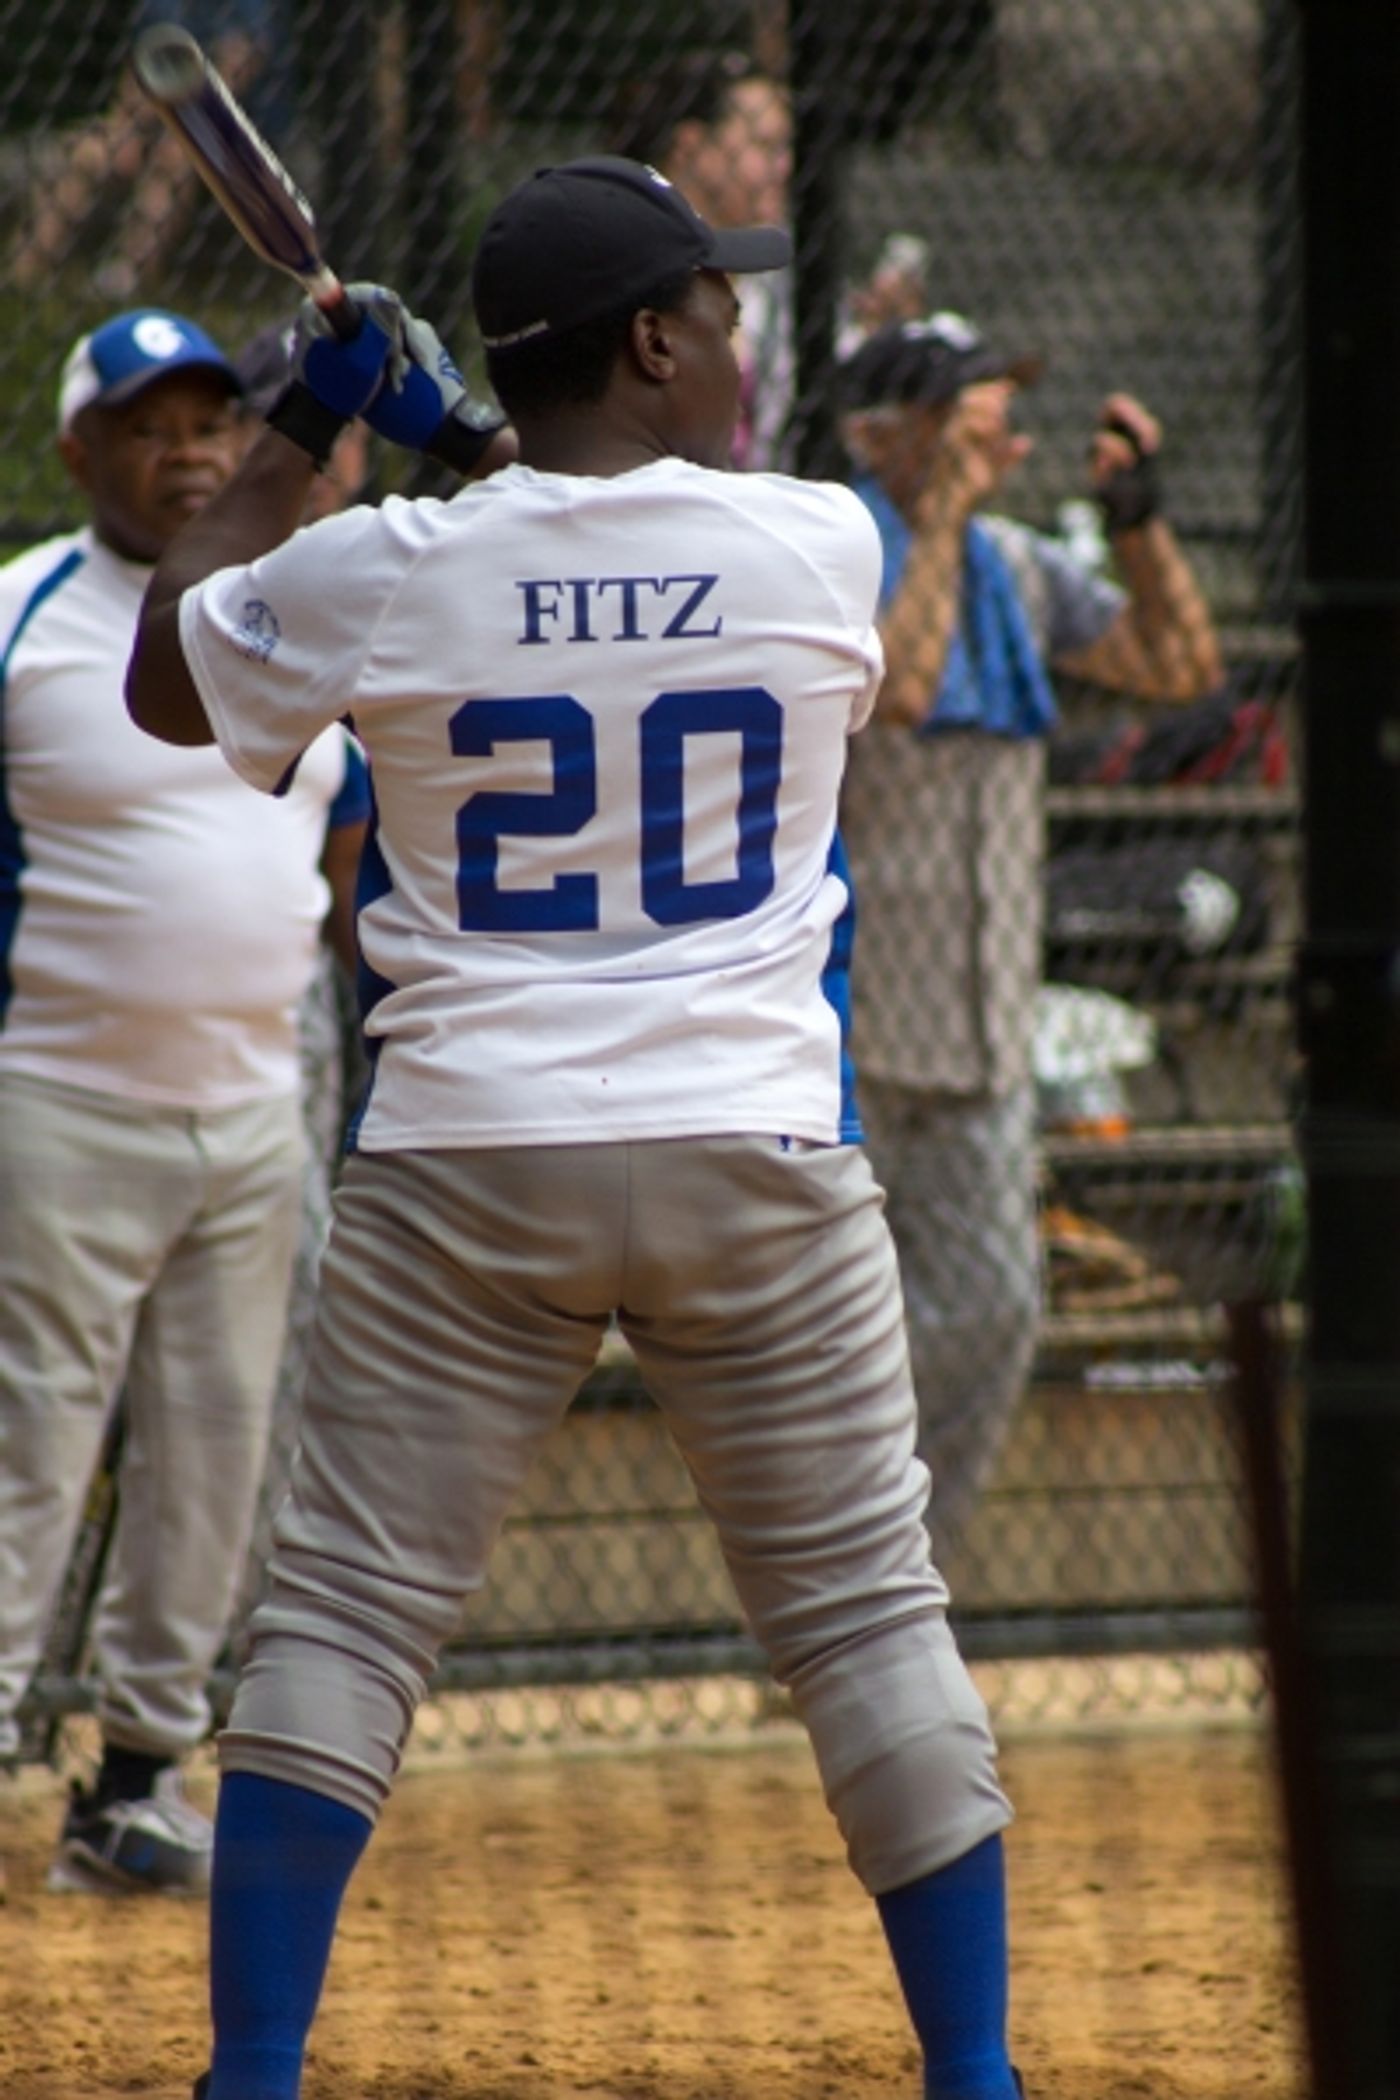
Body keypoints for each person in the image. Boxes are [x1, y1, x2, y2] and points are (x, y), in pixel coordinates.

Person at [127, 159, 1026, 2100]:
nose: (734, 339)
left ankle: (254, 2074)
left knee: (346, 1626)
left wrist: (313, 422)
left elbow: (165, 677)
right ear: (646, 343)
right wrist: (470, 453)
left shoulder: (391, 567)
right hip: (757, 1159)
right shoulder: (822, 542)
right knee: (871, 1622)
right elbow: (609, 561)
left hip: (465, 1166)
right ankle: (974, 2074)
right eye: (712, 311)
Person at [0, 306, 364, 1899]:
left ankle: (135, 1782)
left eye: (213, 420)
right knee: (28, 1445)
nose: (190, 451)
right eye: (150, 424)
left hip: (250, 1106)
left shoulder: (295, 619)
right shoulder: (18, 613)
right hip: (57, 1098)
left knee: (216, 1453)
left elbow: (342, 857)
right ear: (79, 449)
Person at [836, 310, 1225, 1557]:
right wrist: (936, 505)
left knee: (996, 1311)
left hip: (982, 1008)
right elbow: (901, 681)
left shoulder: (1010, 561)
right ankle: (832, 1583)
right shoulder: (844, 550)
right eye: (968, 399)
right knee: (844, 1333)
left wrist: (1137, 518)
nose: (1000, 419)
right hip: (852, 1019)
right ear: (883, 431)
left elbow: (1179, 668)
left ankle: (904, 1582)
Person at [609, 50, 795, 468]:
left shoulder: (779, 276)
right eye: (766, 146)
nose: (785, 167)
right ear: (692, 147)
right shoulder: (616, 274)